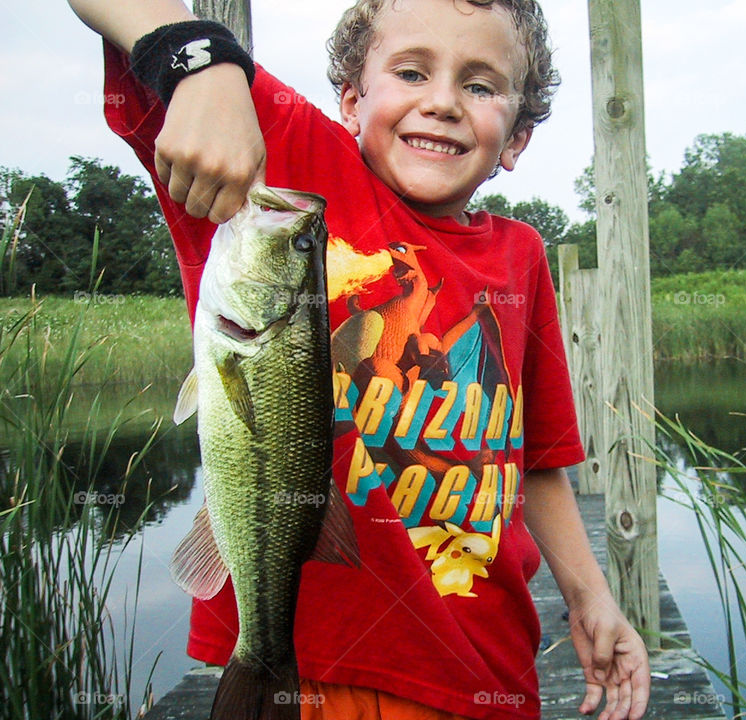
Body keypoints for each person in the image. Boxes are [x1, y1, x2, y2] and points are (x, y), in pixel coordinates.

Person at [67, 1, 651, 719]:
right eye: (410, 72)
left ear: (517, 138)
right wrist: (200, 63)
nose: (440, 102)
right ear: (351, 100)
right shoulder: (297, 171)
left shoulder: (520, 257)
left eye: (479, 85)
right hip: (319, 668)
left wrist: (592, 600)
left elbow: (538, 461)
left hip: (489, 665)